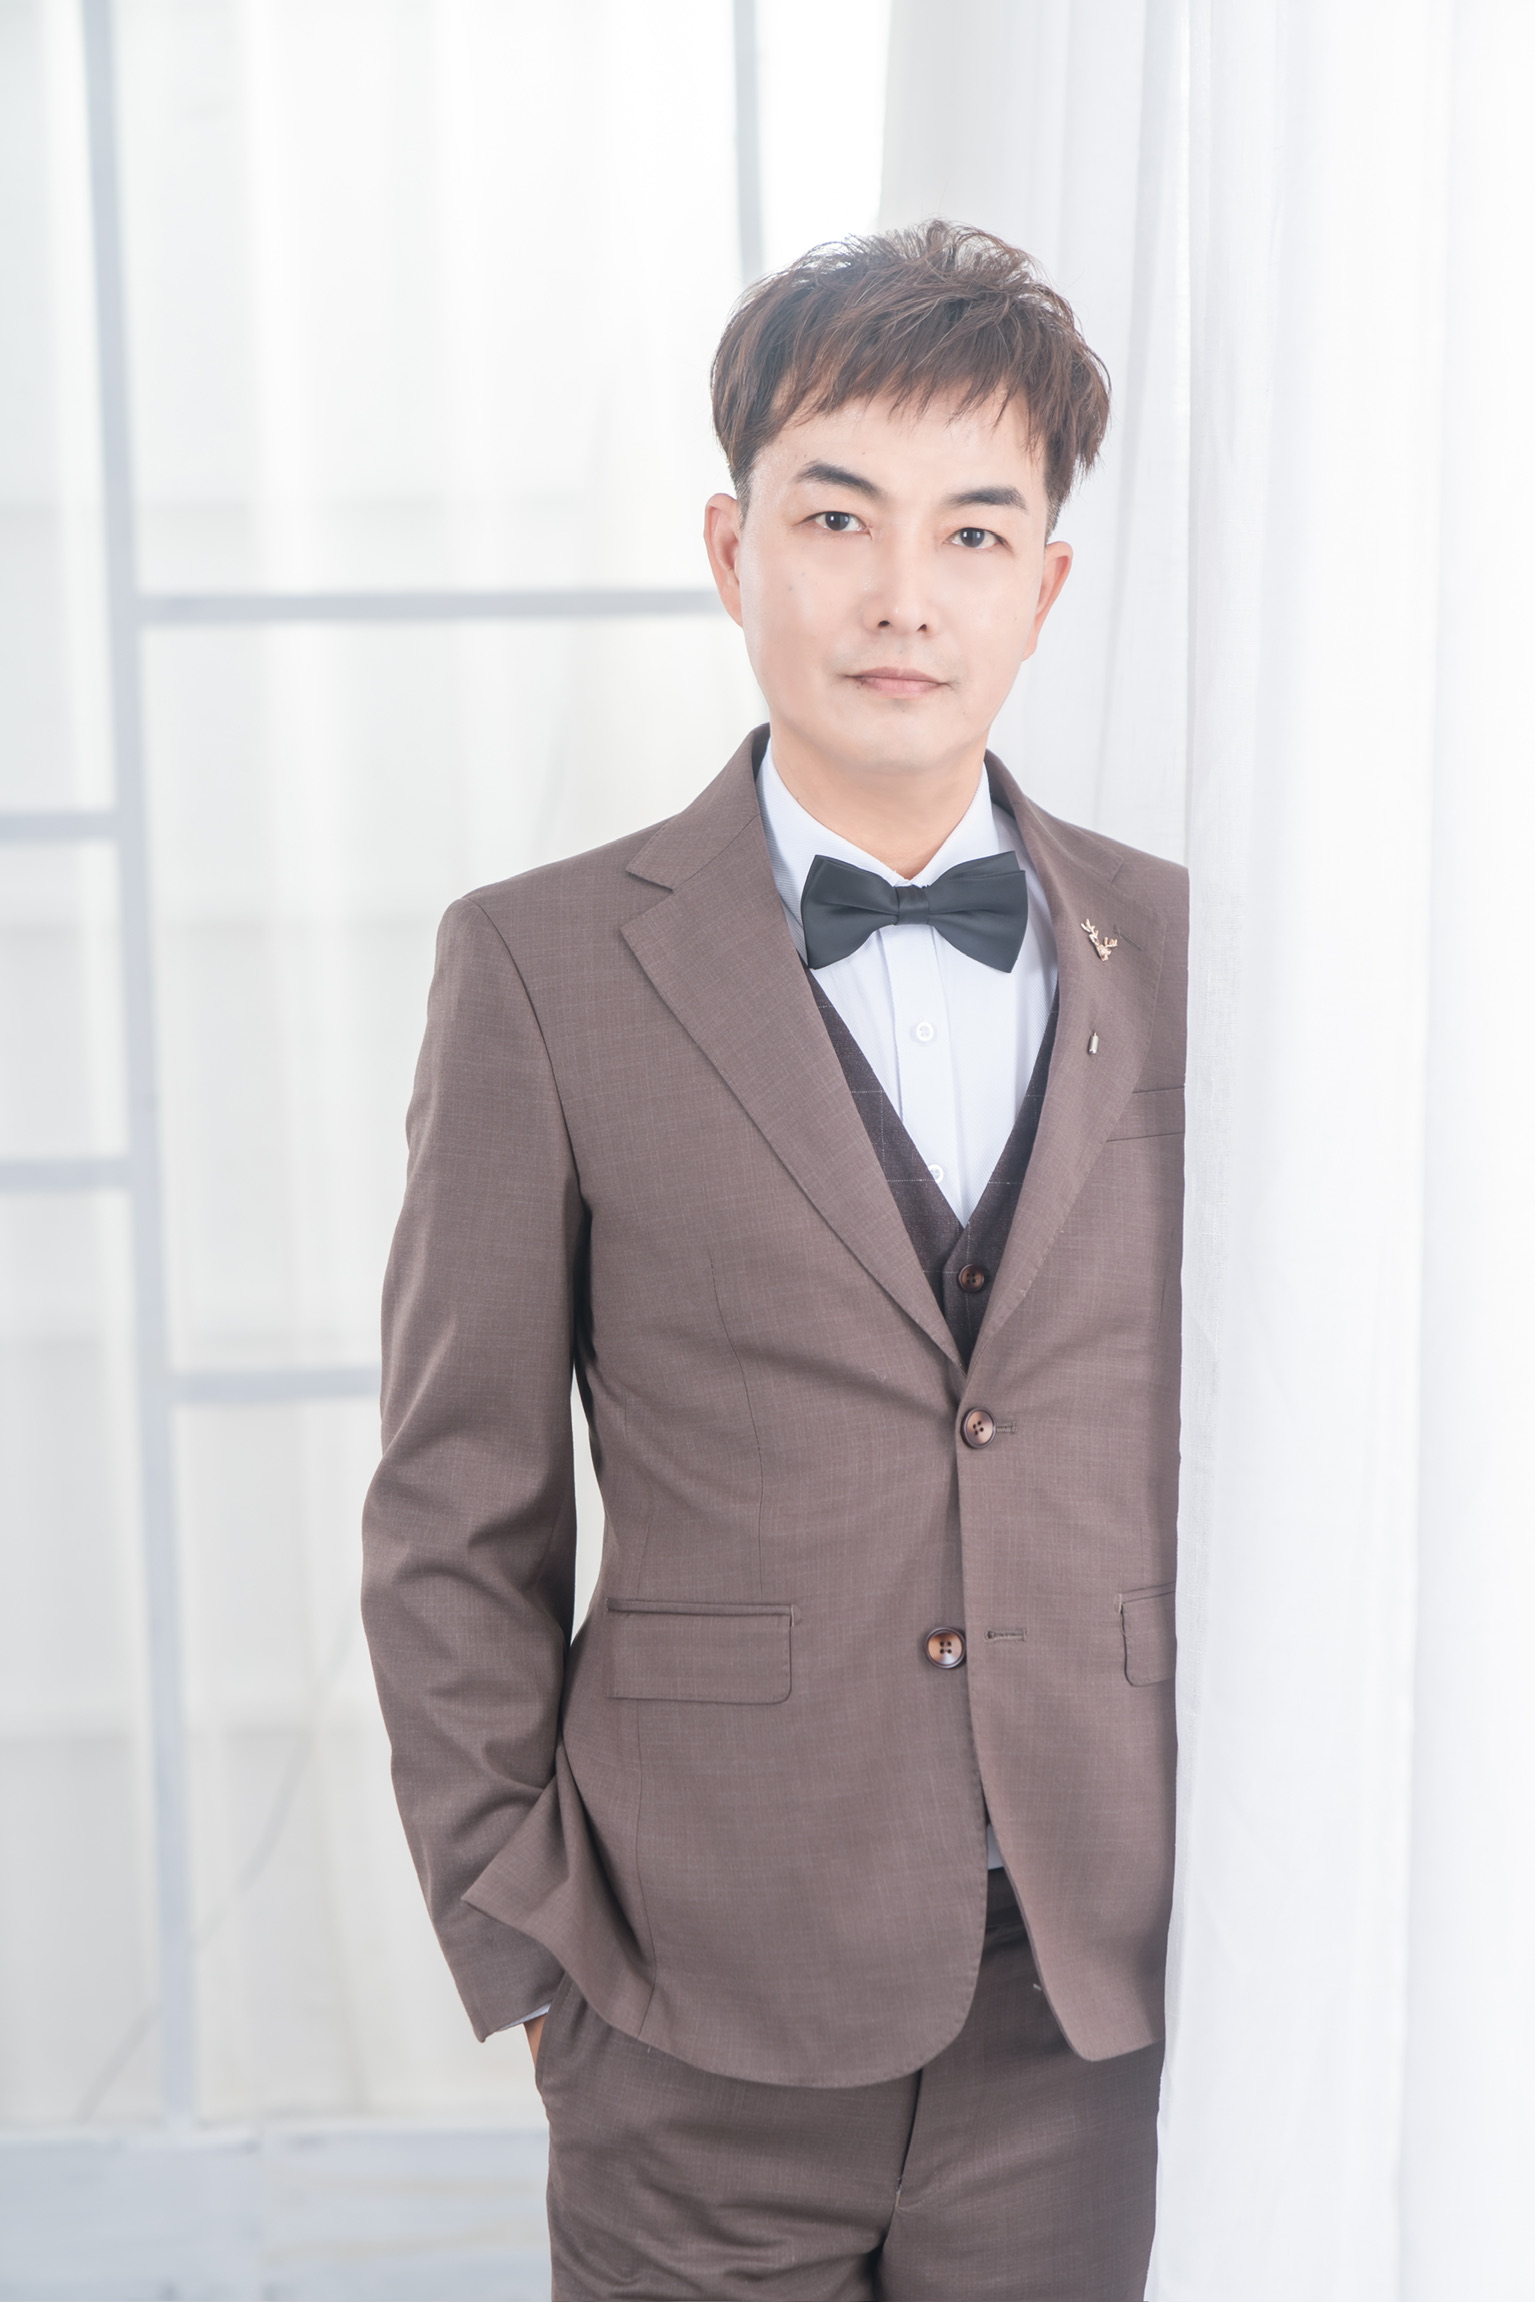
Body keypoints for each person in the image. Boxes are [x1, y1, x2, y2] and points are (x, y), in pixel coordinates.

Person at [362, 220, 1186, 2300]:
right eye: (839, 517)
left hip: (1094, 2000)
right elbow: (454, 1511)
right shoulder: (542, 966)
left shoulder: (1193, 956)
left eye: (973, 532)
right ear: (736, 548)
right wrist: (530, 1948)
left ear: (1044, 587)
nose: (904, 593)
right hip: (688, 1990)